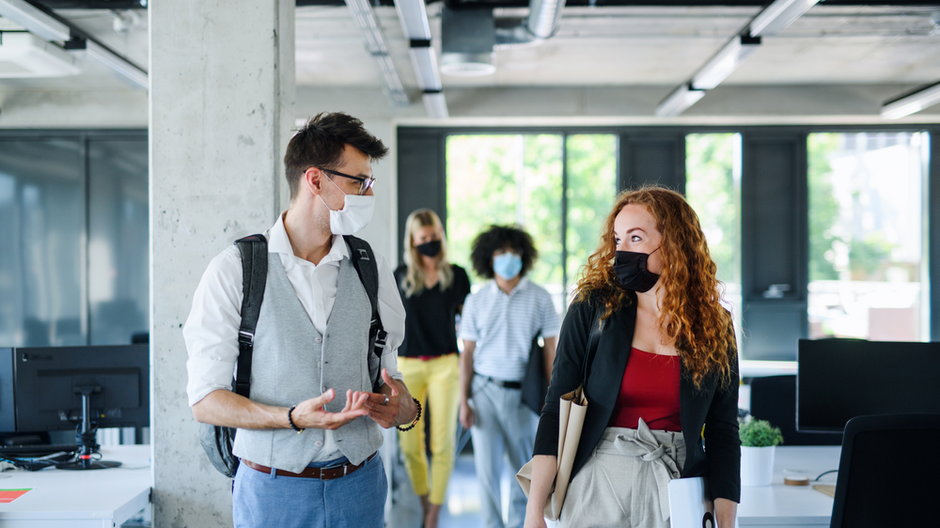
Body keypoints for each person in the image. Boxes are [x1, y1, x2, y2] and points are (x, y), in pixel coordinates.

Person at [184, 112, 419, 528]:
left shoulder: (371, 267)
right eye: (357, 181)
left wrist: (403, 408)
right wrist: (291, 418)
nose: (367, 193)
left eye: (369, 182)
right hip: (272, 492)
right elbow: (205, 401)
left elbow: (391, 379)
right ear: (315, 180)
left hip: (360, 487)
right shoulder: (235, 270)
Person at [523, 186, 740, 528]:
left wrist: (726, 521)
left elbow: (723, 431)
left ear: (673, 243)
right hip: (599, 480)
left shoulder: (714, 325)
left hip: (678, 487)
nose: (622, 251)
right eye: (618, 240)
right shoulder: (592, 308)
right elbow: (555, 410)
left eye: (635, 238)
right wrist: (534, 512)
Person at [459, 225, 560, 528]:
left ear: (523, 257)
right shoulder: (476, 300)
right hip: (484, 392)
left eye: (513, 252)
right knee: (486, 472)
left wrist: (550, 403)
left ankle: (520, 523)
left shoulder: (540, 298)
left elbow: (551, 353)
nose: (508, 258)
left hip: (523, 397)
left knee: (523, 470)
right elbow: (467, 354)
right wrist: (464, 401)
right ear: (488, 258)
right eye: (501, 252)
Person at [393, 208, 471, 528]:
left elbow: (472, 324)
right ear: (412, 241)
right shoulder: (400, 277)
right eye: (423, 238)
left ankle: (434, 514)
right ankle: (424, 501)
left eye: (435, 236)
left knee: (442, 443)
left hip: (444, 365)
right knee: (409, 445)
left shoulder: (457, 275)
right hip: (407, 366)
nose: (430, 242)